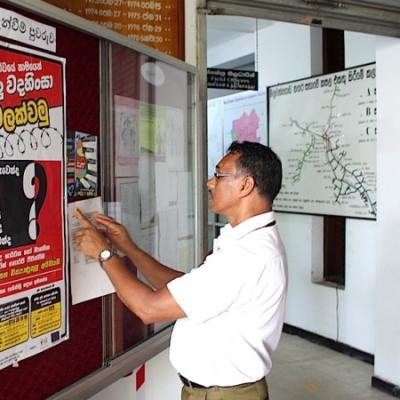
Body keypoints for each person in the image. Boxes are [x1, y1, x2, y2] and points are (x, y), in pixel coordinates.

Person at [74, 140, 288, 400]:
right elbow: (184, 287)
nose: (210, 182)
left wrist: (104, 254)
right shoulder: (245, 241)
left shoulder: (247, 255)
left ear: (246, 185)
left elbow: (149, 309)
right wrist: (128, 247)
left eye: (219, 175)